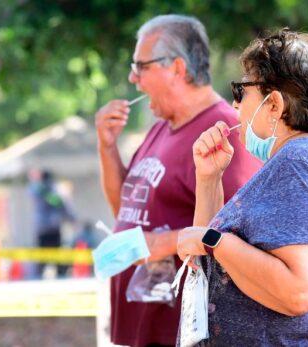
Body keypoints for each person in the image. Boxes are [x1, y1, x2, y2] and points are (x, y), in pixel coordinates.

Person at [177, 29, 308, 345]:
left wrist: (212, 240)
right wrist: (209, 179)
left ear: (274, 104)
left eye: (242, 91)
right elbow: (213, 261)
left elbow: (300, 291)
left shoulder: (300, 161)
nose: (235, 104)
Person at [94, 15, 261, 347]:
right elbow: (126, 210)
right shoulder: (161, 126)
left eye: (140, 66)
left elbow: (239, 235)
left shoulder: (222, 131)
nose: (133, 78)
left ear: (178, 68)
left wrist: (164, 243)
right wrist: (106, 145)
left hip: (184, 330)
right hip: (142, 327)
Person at [28, 169, 76, 278]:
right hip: (52, 228)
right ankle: (57, 275)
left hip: (42, 228)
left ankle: (40, 275)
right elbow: (60, 204)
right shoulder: (49, 191)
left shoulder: (37, 190)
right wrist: (72, 219)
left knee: (44, 256)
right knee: (53, 255)